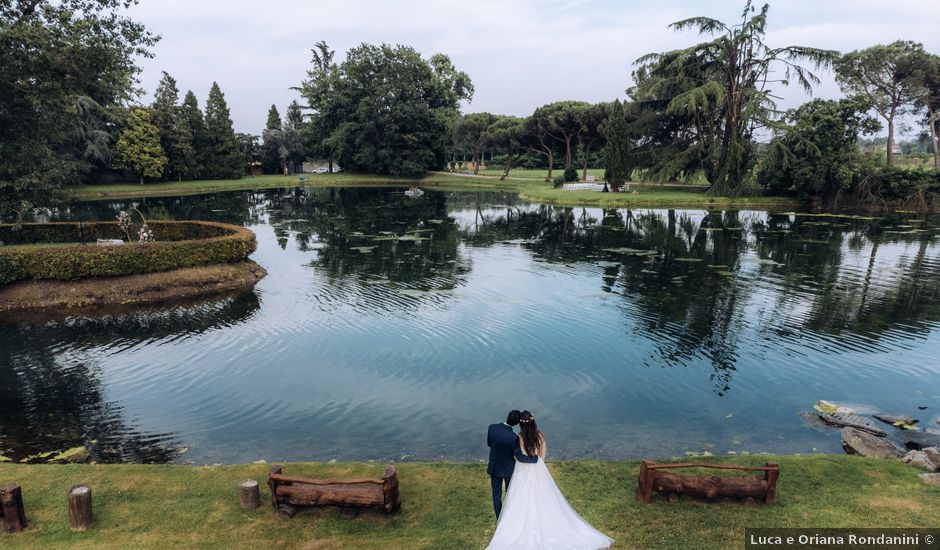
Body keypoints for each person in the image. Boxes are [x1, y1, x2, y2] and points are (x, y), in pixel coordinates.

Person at [486, 410, 613, 550]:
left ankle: (506, 523)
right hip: (538, 469)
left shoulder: (518, 436)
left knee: (516, 497)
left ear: (520, 425)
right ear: (533, 422)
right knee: (542, 497)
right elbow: (542, 455)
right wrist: (537, 462)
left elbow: (517, 456)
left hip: (521, 471)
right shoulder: (540, 435)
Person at [487, 410, 538, 518]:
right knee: (509, 494)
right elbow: (520, 457)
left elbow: (490, 443)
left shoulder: (492, 427)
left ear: (507, 416)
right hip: (508, 470)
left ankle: (499, 519)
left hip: (494, 468)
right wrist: (535, 459)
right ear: (516, 424)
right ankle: (509, 517)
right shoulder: (513, 437)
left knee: (496, 497)